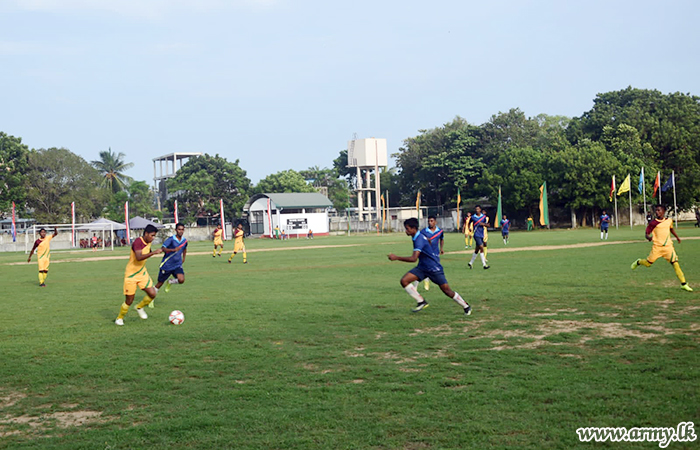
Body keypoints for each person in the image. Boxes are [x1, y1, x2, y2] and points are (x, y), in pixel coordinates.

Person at [387, 217, 471, 315]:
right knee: (404, 281)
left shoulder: (419, 239)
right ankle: (421, 301)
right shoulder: (419, 235)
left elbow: (414, 258)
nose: (406, 231)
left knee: (447, 291)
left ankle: (466, 306)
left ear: (414, 228)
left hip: (433, 268)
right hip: (423, 267)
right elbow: (428, 240)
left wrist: (396, 257)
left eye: (407, 229)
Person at [631, 204, 692, 292]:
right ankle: (638, 262)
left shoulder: (669, 221)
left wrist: (677, 237)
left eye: (659, 210)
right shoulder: (653, 223)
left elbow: (671, 229)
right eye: (656, 210)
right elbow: (647, 233)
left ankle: (684, 284)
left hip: (668, 247)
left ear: (664, 211)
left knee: (675, 264)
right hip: (657, 247)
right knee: (648, 264)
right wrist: (649, 238)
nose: (657, 212)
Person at [115, 225, 164, 326]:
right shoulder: (138, 242)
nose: (153, 238)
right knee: (129, 300)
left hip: (142, 273)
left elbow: (147, 252)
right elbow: (138, 257)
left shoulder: (148, 243)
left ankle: (139, 307)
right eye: (152, 235)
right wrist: (154, 253)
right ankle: (119, 318)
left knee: (152, 294)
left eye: (154, 236)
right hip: (131, 275)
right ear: (146, 234)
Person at [151, 222, 188, 308]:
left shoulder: (184, 241)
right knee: (159, 283)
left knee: (181, 280)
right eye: (179, 229)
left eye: (182, 229)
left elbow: (184, 249)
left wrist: (183, 258)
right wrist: (173, 250)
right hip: (167, 265)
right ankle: (150, 298)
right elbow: (163, 248)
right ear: (176, 230)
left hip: (177, 265)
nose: (181, 231)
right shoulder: (171, 239)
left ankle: (170, 281)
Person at [420, 215, 444, 291]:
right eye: (429, 221)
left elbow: (441, 239)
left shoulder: (440, 231)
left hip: (436, 252)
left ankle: (439, 282)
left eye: (432, 221)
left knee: (436, 268)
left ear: (435, 222)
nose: (430, 223)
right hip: (426, 252)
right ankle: (426, 281)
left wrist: (441, 248)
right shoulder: (424, 231)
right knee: (427, 267)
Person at [467, 205, 489, 269]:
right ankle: (484, 265)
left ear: (480, 210)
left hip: (481, 234)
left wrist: (484, 224)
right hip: (476, 234)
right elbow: (469, 222)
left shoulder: (483, 217)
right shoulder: (473, 217)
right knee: (481, 247)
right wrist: (469, 228)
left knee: (477, 250)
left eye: (478, 209)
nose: (477, 210)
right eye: (476, 209)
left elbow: (487, 224)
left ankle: (470, 263)